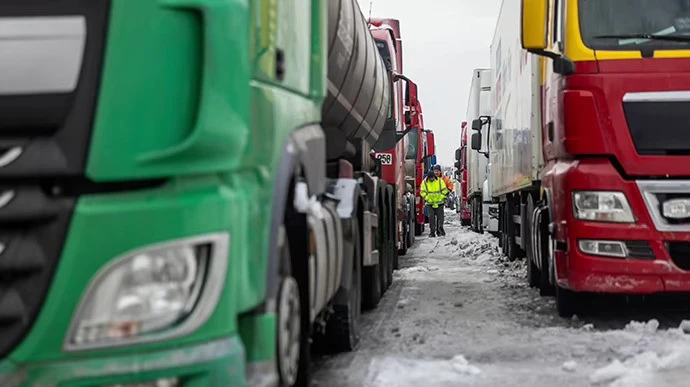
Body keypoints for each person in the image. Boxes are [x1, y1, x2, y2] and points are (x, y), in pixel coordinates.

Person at [420, 170, 449, 237]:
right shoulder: (424, 182)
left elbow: (444, 190)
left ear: (434, 177)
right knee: (431, 218)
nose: (432, 179)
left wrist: (443, 195)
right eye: (430, 178)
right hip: (430, 203)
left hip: (440, 202)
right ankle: (432, 232)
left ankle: (440, 229)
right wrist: (427, 197)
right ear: (428, 177)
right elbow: (422, 192)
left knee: (440, 218)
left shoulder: (440, 181)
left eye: (432, 178)